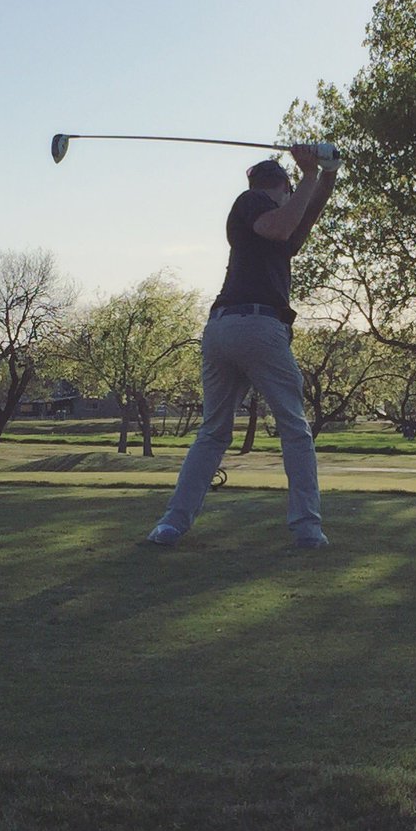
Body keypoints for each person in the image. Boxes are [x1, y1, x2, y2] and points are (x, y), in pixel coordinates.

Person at [144, 142, 339, 548]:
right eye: (291, 192)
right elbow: (281, 226)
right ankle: (307, 529)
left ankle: (171, 525)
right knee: (295, 430)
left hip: (223, 329)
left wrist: (327, 174)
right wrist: (308, 174)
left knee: (213, 433)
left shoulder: (277, 223)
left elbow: (304, 218)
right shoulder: (252, 201)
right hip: (257, 326)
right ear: (282, 187)